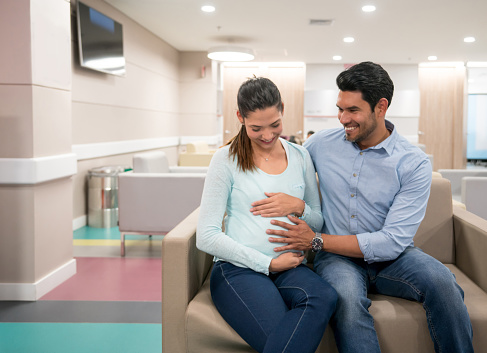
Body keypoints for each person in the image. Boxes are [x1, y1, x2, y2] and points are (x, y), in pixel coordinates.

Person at [257, 62, 473, 353]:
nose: (343, 118)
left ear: (380, 107)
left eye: (353, 110)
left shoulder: (413, 162)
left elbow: (392, 241)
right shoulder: (321, 144)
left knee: (444, 283)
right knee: (345, 300)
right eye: (340, 108)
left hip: (394, 258)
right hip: (336, 259)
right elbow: (278, 163)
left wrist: (315, 241)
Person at [196, 77, 337, 353]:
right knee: (282, 335)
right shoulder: (225, 160)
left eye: (275, 125)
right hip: (238, 269)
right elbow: (207, 236)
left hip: (291, 266)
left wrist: (298, 206)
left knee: (325, 296)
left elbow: (318, 221)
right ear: (240, 117)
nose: (267, 135)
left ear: (282, 109)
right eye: (256, 128)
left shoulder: (300, 156)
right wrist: (269, 264)